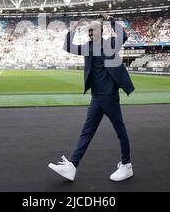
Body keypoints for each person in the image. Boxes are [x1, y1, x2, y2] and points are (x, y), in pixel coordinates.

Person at [48, 14, 135, 182]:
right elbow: (67, 46)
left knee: (120, 131)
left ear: (101, 31)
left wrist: (110, 18)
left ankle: (127, 165)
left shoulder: (110, 44)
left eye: (92, 30)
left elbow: (123, 35)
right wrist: (73, 29)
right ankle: (72, 166)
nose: (89, 33)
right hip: (96, 98)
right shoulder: (87, 47)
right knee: (86, 132)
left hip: (109, 97)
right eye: (88, 31)